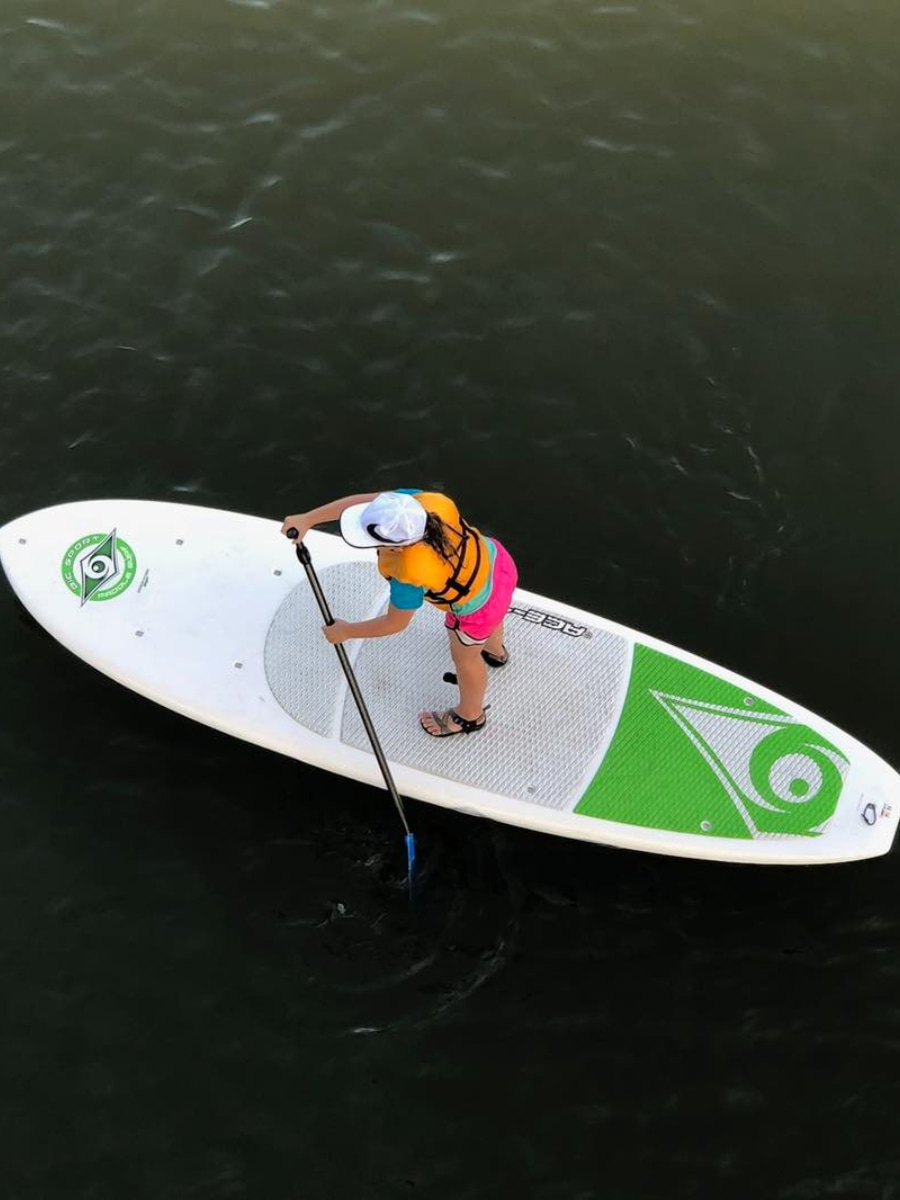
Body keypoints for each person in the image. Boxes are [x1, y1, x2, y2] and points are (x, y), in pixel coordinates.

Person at [281, 489, 518, 737]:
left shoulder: (408, 573)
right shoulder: (411, 506)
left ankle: (470, 716)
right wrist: (308, 518)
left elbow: (395, 623)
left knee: (466, 659)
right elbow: (361, 502)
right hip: (498, 564)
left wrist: (346, 631)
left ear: (396, 548)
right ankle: (495, 652)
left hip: (476, 608)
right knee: (493, 617)